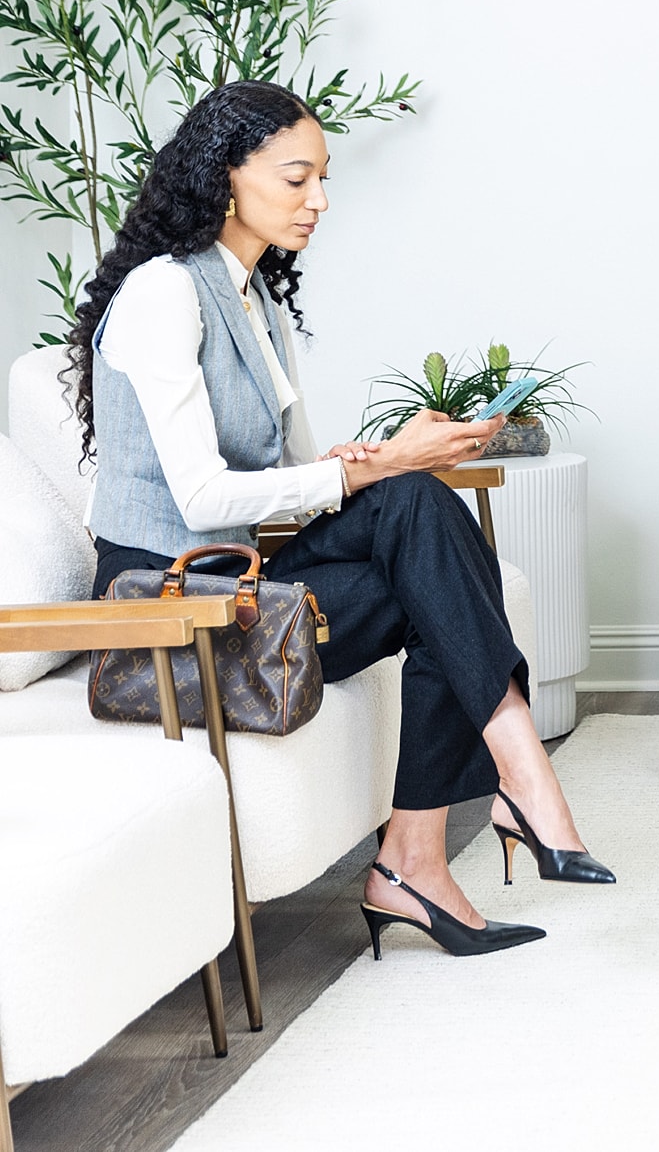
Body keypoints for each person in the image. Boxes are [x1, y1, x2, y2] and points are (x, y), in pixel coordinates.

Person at [68, 81, 610, 961]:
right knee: (412, 518)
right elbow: (205, 500)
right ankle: (502, 787)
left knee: (417, 518)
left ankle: (422, 855)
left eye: (323, 178)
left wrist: (394, 458)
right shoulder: (164, 293)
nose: (318, 200)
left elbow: (295, 481)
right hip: (166, 618)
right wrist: (375, 469)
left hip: (239, 590)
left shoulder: (258, 303)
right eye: (295, 178)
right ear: (225, 175)